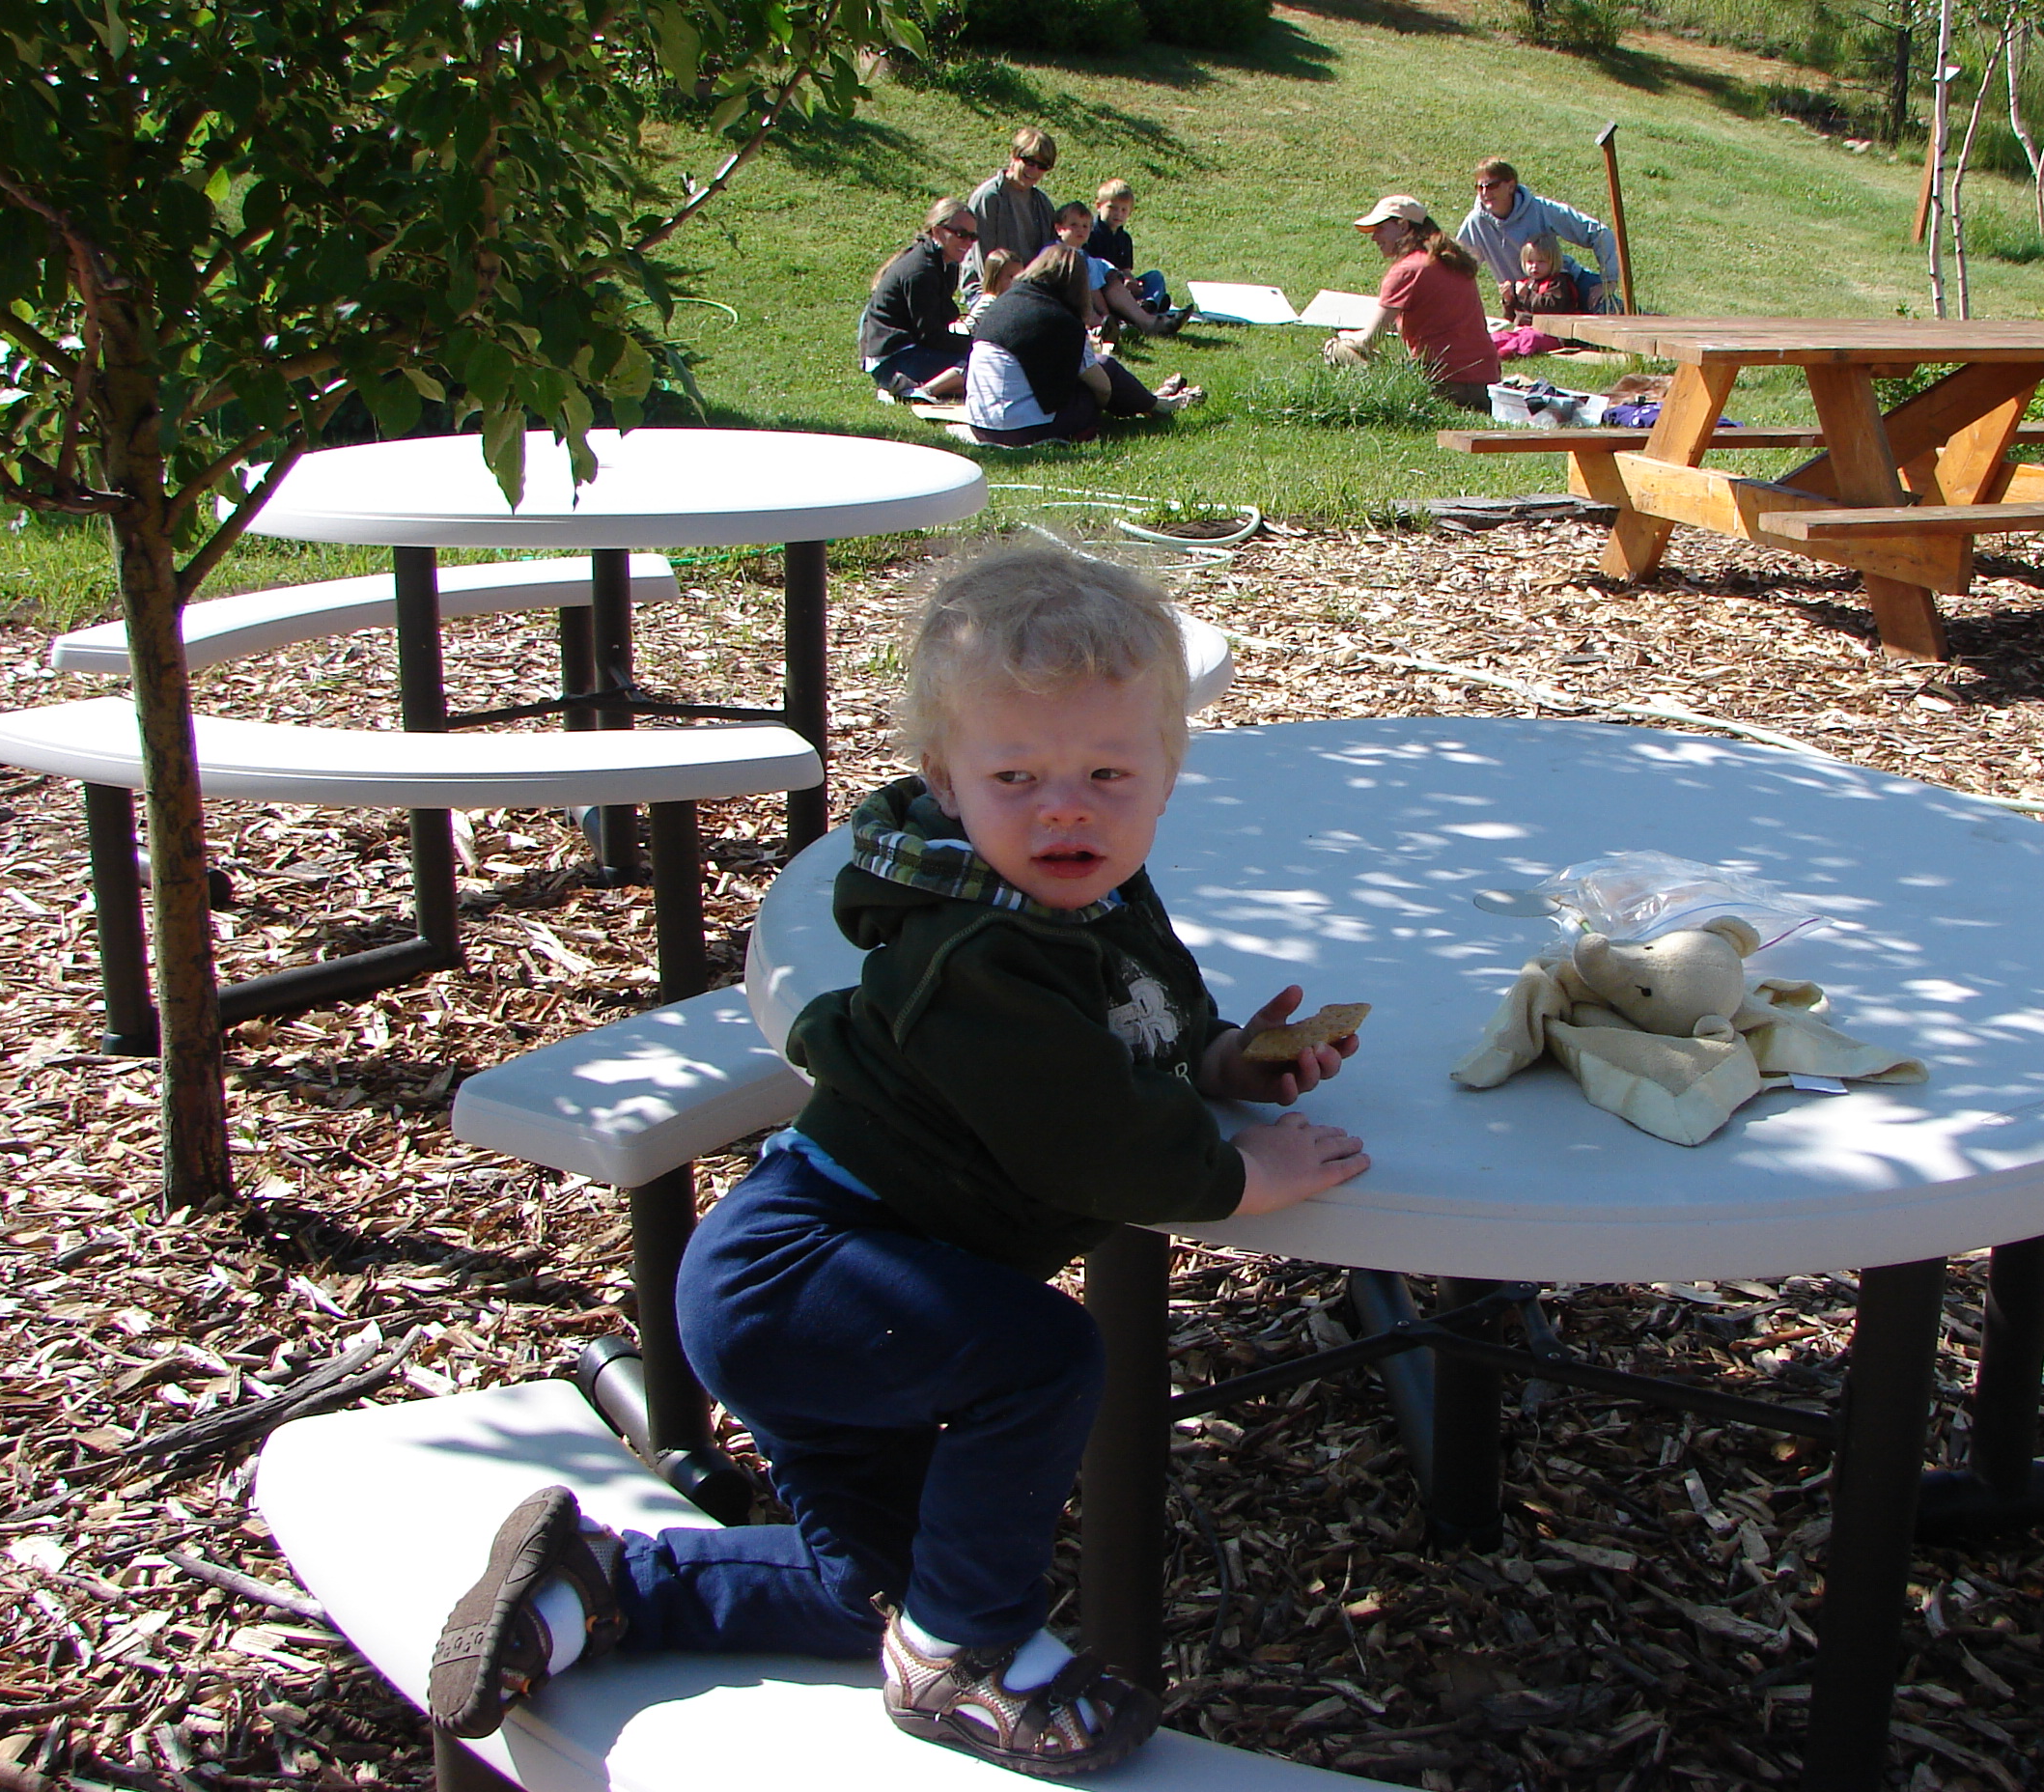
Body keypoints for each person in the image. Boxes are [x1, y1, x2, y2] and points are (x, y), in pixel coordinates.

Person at [424, 542, 1370, 1778]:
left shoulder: (1087, 901)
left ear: (1163, 775)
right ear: (945, 781)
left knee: (871, 1585)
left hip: (862, 1292)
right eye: (1015, 776)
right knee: (1040, 1359)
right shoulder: (979, 954)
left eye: (1104, 773)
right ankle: (961, 1660)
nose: (1063, 807)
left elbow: (1132, 1036)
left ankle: (596, 1587)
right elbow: (1101, 1148)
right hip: (810, 1271)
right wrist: (1254, 1177)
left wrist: (1221, 1067)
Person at [965, 246, 1202, 447]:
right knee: (1103, 366)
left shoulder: (1003, 305)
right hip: (1022, 431)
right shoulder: (1058, 318)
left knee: (1087, 372)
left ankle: (1150, 401)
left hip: (981, 426)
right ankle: (1159, 405)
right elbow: (1103, 389)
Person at [1321, 193, 1499, 409]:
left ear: (1403, 226)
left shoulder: (1407, 269)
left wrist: (1345, 337)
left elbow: (1369, 339)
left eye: (1380, 229)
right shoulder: (1452, 261)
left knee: (1336, 349)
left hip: (1442, 385)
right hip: (1484, 385)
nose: (1374, 238)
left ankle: (1366, 407)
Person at [1457, 157, 1620, 315]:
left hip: (1569, 285)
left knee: (1624, 317)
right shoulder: (1475, 223)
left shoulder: (1540, 209)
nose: (1485, 192)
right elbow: (1456, 269)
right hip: (1529, 299)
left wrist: (1609, 281)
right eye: (1480, 187)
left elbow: (1599, 232)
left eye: (1492, 185)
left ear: (1511, 186)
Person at [857, 197, 979, 401]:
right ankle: (913, 390)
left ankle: (925, 387)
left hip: (914, 349)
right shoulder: (920, 271)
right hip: (894, 358)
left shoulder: (946, 263)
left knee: (986, 366)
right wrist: (977, 344)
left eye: (973, 237)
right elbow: (930, 335)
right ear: (939, 232)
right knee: (984, 368)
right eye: (961, 235)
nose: (968, 243)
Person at [1052, 200, 1181, 338]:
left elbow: (1115, 274)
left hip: (1100, 293)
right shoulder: (1058, 254)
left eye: (1085, 226)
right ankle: (1120, 323)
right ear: (1059, 228)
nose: (1080, 230)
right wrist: (1105, 314)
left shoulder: (1096, 253)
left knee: (1153, 277)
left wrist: (1127, 280)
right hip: (1072, 302)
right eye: (1074, 225)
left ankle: (1146, 310)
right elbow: (1093, 291)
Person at [960, 127, 1061, 298]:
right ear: (1014, 156)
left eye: (1042, 166)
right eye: (1029, 162)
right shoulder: (989, 197)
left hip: (1030, 288)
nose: (1034, 171)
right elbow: (984, 261)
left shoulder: (1043, 204)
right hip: (990, 289)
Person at [1086, 180, 1175, 316]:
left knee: (1155, 277)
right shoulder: (1090, 233)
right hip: (1102, 287)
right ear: (1099, 206)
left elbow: (1125, 269)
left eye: (1123, 210)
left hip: (1121, 284)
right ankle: (1150, 306)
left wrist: (1131, 282)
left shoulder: (1124, 238)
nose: (1118, 214)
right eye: (1112, 208)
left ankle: (1148, 304)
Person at [1500, 235, 1586, 324]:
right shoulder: (1526, 284)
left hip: (1550, 332)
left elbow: (1552, 309)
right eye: (1530, 261)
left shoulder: (1558, 283)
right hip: (1524, 331)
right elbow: (1511, 317)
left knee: (1526, 338)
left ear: (1553, 261)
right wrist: (1508, 300)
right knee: (1498, 338)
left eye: (1541, 261)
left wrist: (1528, 295)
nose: (1534, 266)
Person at [964, 247, 1025, 327]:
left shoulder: (1014, 302)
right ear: (996, 278)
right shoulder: (988, 303)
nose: (1016, 282)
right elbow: (968, 328)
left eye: (1019, 277)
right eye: (1011, 277)